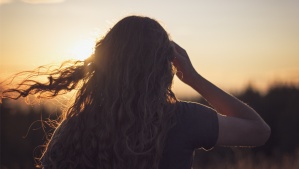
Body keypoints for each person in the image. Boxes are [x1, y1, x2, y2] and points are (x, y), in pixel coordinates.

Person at [2, 16, 270, 169]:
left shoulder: (72, 130)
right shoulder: (184, 120)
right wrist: (194, 78)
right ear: (163, 68)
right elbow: (258, 130)